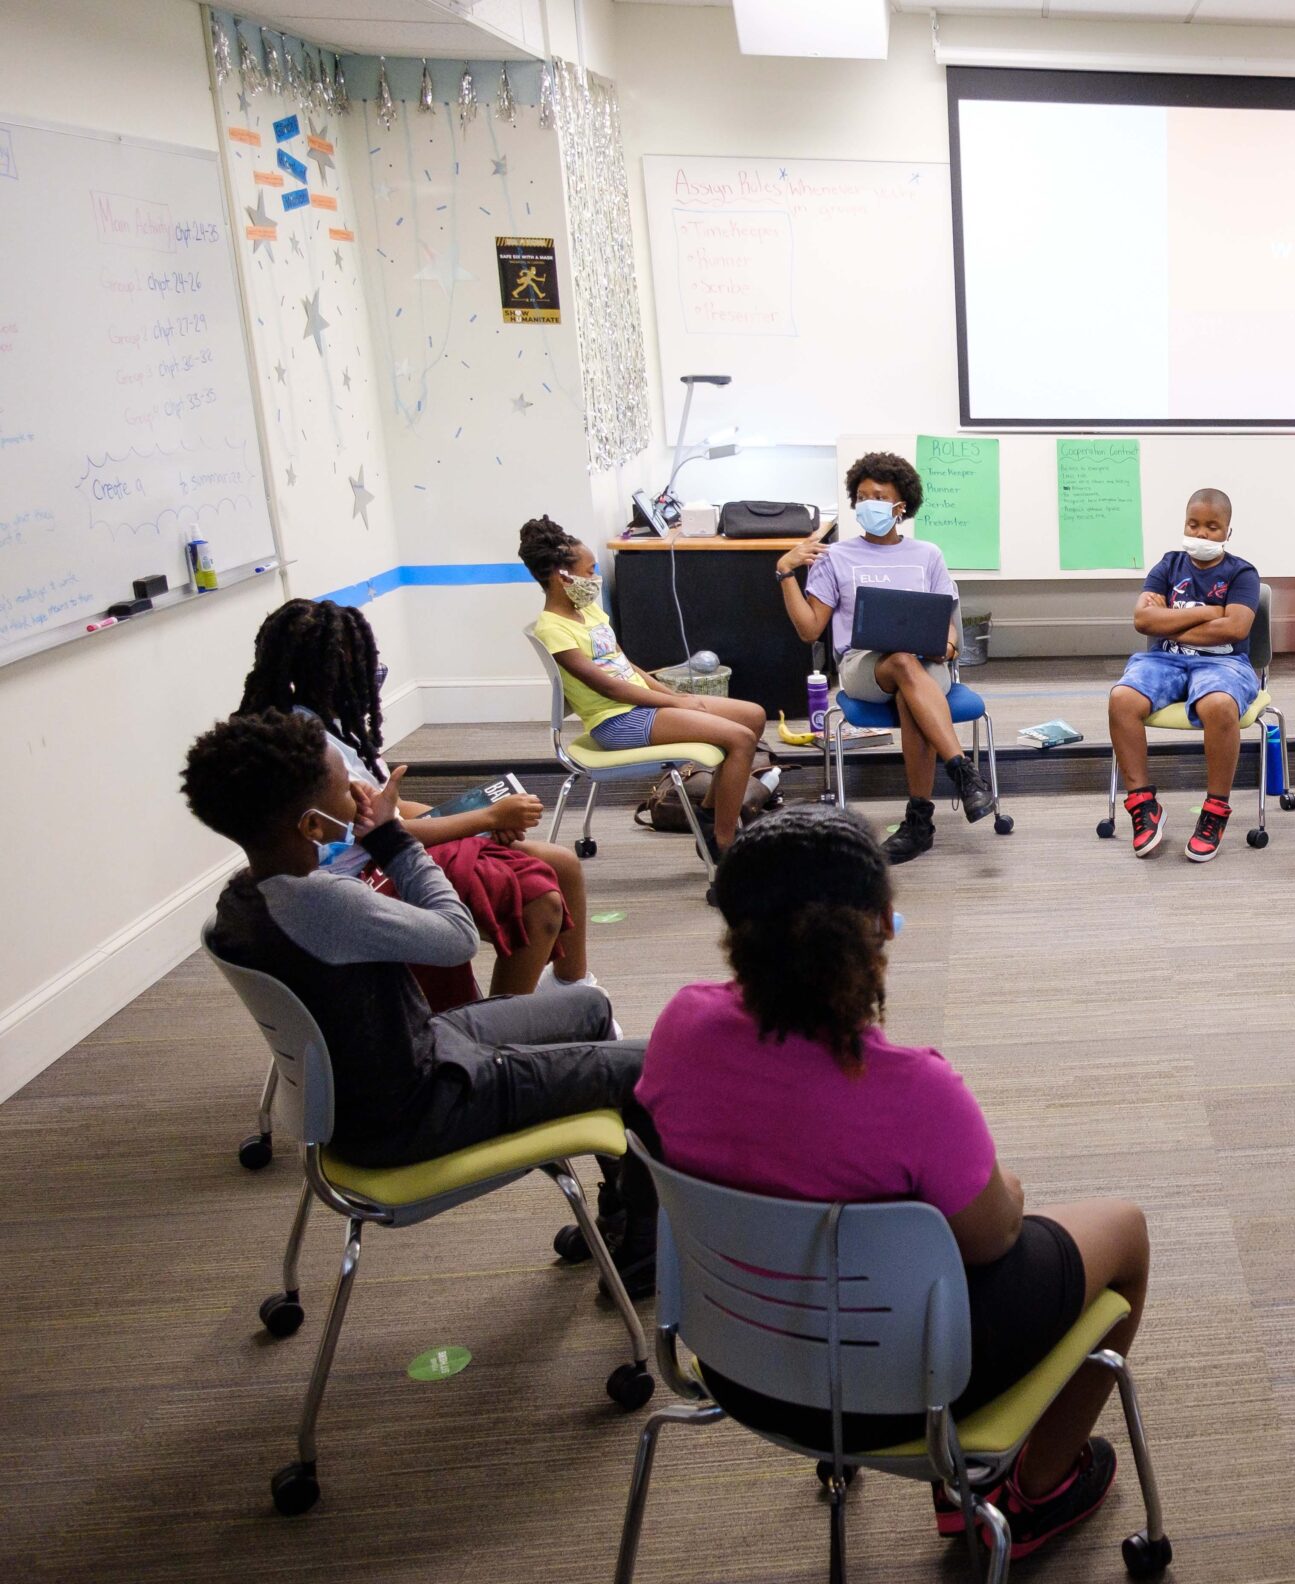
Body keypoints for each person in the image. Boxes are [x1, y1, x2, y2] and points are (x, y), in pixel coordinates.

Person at [636, 808, 1150, 1557]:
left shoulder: (678, 1027)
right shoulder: (914, 1092)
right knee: (1125, 1230)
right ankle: (1039, 1490)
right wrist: (1005, 1185)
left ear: (735, 929)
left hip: (738, 1367)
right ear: (880, 926)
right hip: (904, 1398)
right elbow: (992, 1238)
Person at [188, 711, 656, 1295]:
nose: (362, 793)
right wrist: (389, 838)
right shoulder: (325, 903)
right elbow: (455, 938)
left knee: (589, 1013)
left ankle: (622, 1208)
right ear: (313, 824)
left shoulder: (242, 898)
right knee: (648, 1066)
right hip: (420, 1105)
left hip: (389, 1076)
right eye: (348, 789)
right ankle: (645, 1252)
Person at [238, 597, 600, 999]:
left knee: (562, 864)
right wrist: (486, 820)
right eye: (360, 665)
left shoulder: (336, 725)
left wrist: (471, 817)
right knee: (540, 902)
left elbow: (387, 807)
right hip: (370, 868)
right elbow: (377, 829)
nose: (372, 676)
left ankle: (572, 987)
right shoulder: (313, 749)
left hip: (388, 849)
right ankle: (497, 1026)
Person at [776, 451, 993, 864]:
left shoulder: (927, 555)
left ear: (901, 506)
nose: (867, 503)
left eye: (878, 495)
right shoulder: (835, 557)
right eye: (861, 496)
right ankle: (962, 771)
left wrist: (945, 648)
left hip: (926, 664)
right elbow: (809, 629)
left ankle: (920, 823)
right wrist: (785, 573)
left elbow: (946, 626)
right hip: (863, 666)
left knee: (911, 682)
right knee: (902, 665)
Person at [520, 515, 770, 858]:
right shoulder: (553, 629)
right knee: (739, 739)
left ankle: (710, 814)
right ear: (562, 576)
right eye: (590, 571)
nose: (595, 578)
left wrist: (672, 694)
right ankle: (723, 845)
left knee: (753, 716)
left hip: (642, 705)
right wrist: (674, 705)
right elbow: (611, 688)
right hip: (617, 721)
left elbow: (625, 666)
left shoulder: (587, 610)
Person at [1106, 488, 1262, 863]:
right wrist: (1210, 612)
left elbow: (1236, 629)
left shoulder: (1242, 573)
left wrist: (1169, 623)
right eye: (1194, 524)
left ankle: (1215, 811)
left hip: (1224, 664)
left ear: (1227, 532)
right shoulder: (1168, 565)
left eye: (1212, 527)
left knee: (1220, 705)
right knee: (1121, 699)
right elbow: (1143, 620)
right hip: (1165, 661)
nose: (1202, 533)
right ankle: (1143, 805)